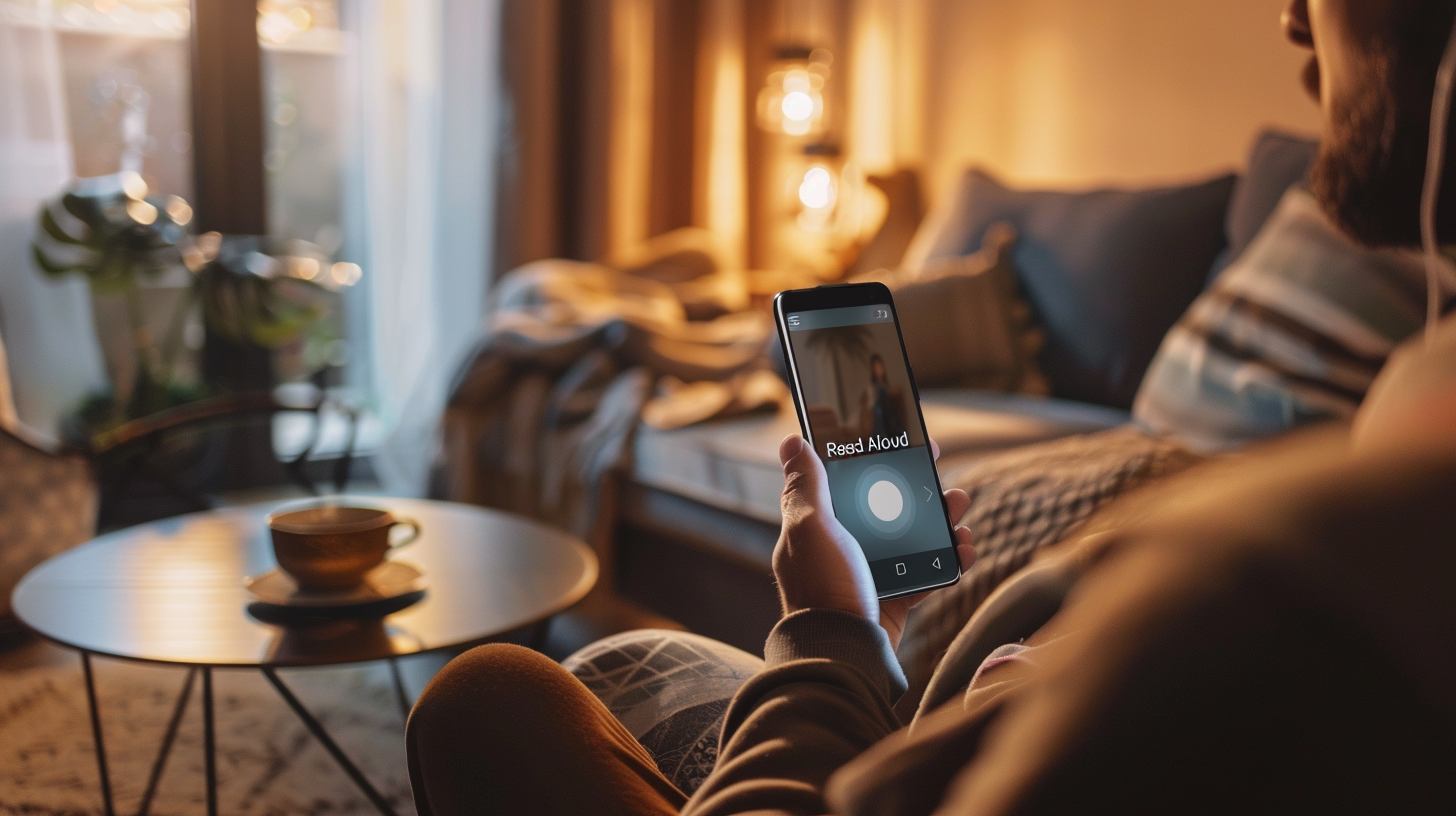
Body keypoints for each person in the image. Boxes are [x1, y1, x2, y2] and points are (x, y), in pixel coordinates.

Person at [405, 2, 1456, 813]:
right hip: (948, 687)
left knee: (492, 696)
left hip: (910, 712)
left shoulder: (1297, 576)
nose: (1285, 16)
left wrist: (828, 636)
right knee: (607, 659)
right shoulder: (1413, 401)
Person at [860, 354, 906, 440]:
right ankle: (883, 439)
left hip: (888, 413)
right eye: (875, 368)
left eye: (879, 367)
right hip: (877, 412)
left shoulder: (886, 386)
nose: (878, 370)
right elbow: (870, 404)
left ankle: (896, 437)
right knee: (878, 409)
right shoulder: (872, 388)